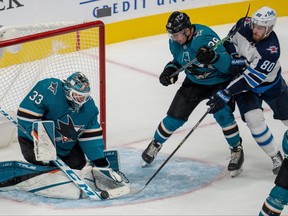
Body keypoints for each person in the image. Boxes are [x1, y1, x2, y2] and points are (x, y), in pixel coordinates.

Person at [141, 11, 244, 177]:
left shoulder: (205, 37)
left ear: (187, 30)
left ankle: (236, 149)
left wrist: (213, 57)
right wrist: (170, 70)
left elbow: (228, 67)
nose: (173, 38)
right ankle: (155, 144)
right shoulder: (174, 43)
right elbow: (180, 61)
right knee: (174, 118)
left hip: (218, 81)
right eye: (171, 34)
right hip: (194, 82)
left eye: (176, 34)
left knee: (222, 114)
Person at [16, 71, 130, 199]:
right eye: (77, 95)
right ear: (68, 91)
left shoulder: (89, 108)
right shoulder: (48, 89)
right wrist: (45, 144)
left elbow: (91, 137)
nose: (81, 100)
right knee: (46, 162)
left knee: (78, 163)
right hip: (33, 142)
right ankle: (41, 172)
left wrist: (100, 162)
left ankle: (56, 167)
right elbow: (25, 116)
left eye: (84, 96)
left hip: (64, 145)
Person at [206, 6, 285, 176]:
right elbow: (227, 41)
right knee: (254, 121)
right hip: (246, 90)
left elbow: (250, 80)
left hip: (272, 86)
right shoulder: (243, 25)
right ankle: (276, 156)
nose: (255, 30)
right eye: (254, 25)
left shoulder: (271, 50)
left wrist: (226, 93)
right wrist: (234, 56)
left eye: (260, 28)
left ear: (270, 28)